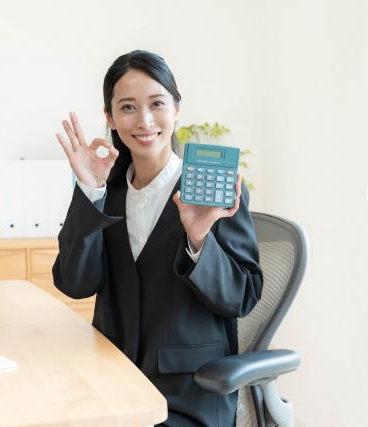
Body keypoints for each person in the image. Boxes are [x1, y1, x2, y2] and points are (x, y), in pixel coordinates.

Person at [52, 50, 263, 427]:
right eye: (128, 107)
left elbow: (242, 297)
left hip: (186, 396)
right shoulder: (108, 191)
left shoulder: (212, 193)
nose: (145, 120)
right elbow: (75, 283)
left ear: (177, 109)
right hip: (112, 385)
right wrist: (89, 191)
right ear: (110, 117)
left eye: (157, 103)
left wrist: (199, 242)